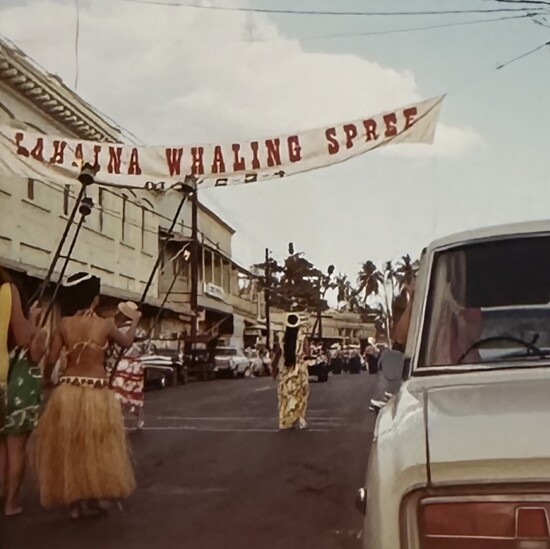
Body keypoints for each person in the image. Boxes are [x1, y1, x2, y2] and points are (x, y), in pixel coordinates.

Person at [34, 272, 141, 519]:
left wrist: (48, 380)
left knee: (72, 446)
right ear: (95, 299)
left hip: (67, 390)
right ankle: (93, 495)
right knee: (96, 445)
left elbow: (50, 360)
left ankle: (75, 503)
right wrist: (134, 320)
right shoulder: (106, 325)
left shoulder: (64, 324)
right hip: (96, 391)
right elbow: (126, 343)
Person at [0, 269, 47, 516]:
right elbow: (31, 344)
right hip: (13, 389)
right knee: (15, 448)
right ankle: (10, 503)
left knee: (1, 448)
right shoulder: (8, 292)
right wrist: (36, 325)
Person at [105, 302, 146, 430]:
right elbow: (145, 349)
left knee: (117, 394)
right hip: (135, 365)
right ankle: (138, 419)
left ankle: (117, 419)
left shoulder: (119, 330)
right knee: (133, 394)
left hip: (119, 364)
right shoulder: (141, 331)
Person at [277, 314, 310, 431]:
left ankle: (285, 421)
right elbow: (307, 351)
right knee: (301, 395)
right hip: (299, 369)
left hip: (286, 370)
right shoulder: (302, 337)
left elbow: (277, 354)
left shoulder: (281, 336)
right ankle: (300, 419)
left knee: (285, 396)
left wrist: (274, 369)